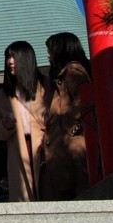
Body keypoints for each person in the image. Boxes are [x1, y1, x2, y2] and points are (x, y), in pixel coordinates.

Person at [0, 40, 46, 202]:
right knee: (24, 195)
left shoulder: (45, 87)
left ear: (26, 59)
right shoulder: (1, 96)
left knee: (47, 191)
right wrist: (5, 127)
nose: (10, 62)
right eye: (8, 57)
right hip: (18, 150)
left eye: (14, 57)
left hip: (44, 148)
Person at [40, 31, 92, 201]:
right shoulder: (64, 75)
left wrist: (73, 126)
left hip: (72, 146)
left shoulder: (72, 71)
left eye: (51, 50)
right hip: (66, 144)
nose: (48, 55)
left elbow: (83, 97)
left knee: (78, 191)